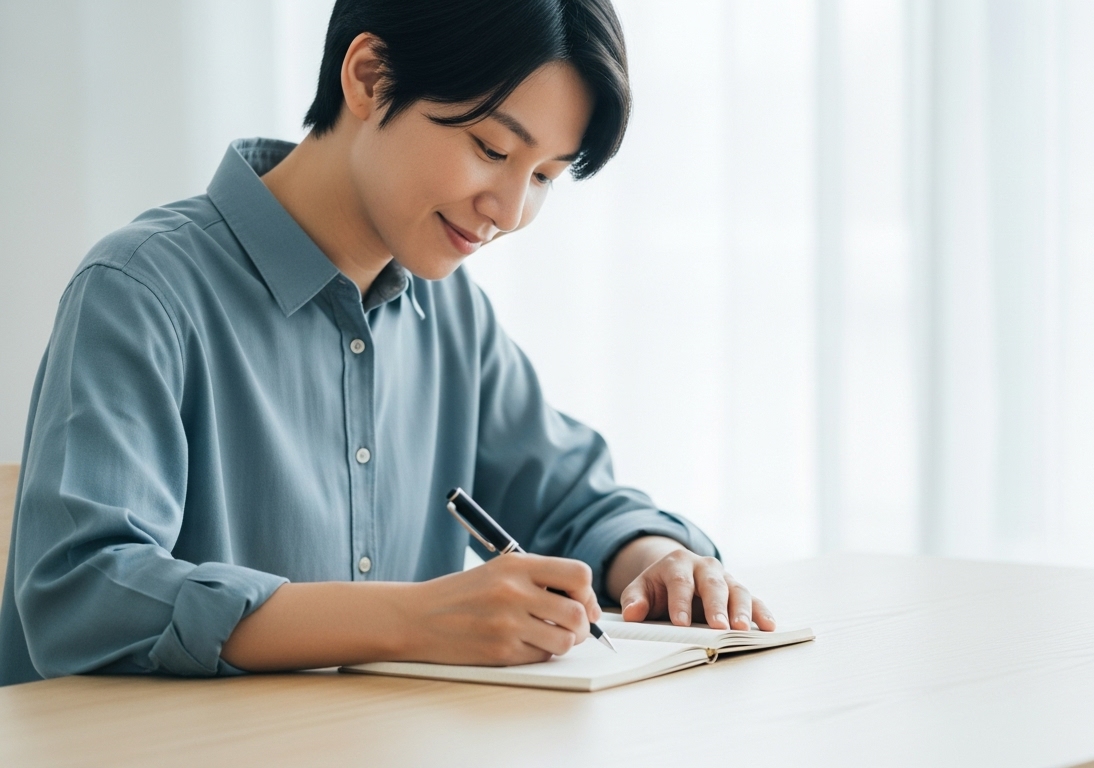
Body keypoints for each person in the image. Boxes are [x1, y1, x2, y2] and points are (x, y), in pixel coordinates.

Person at [0, 0, 774, 686]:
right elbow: (84, 595)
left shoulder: (450, 311)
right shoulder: (141, 291)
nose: (508, 209)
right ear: (369, 77)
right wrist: (411, 621)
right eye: (493, 149)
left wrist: (657, 562)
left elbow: (571, 501)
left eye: (543, 176)